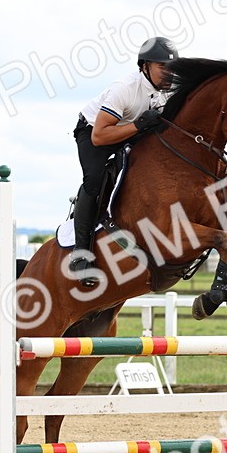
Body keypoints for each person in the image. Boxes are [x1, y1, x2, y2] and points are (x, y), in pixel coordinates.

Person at [67, 36, 179, 282]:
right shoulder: (125, 88)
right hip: (94, 132)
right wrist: (139, 125)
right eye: (163, 67)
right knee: (95, 179)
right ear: (145, 66)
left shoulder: (169, 90)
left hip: (132, 128)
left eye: (172, 68)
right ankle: (80, 252)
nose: (169, 74)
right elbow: (100, 136)